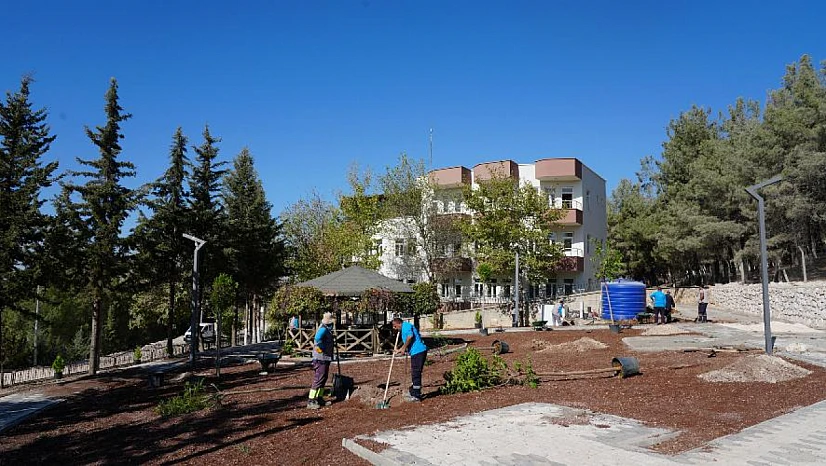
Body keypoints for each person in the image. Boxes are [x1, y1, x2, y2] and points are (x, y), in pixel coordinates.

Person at [392, 317, 428, 402]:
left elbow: (410, 336)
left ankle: (416, 395)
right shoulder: (404, 328)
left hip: (418, 351)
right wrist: (400, 349)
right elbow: (407, 341)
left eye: (394, 326)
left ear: (398, 323)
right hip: (416, 352)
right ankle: (413, 391)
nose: (394, 328)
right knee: (415, 372)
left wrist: (404, 348)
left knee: (416, 373)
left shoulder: (406, 326)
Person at [307, 312, 334, 409]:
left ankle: (319, 398)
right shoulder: (323, 329)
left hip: (325, 358)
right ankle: (311, 400)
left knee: (324, 378)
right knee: (318, 379)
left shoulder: (326, 329)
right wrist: (321, 348)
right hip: (320, 358)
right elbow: (317, 338)